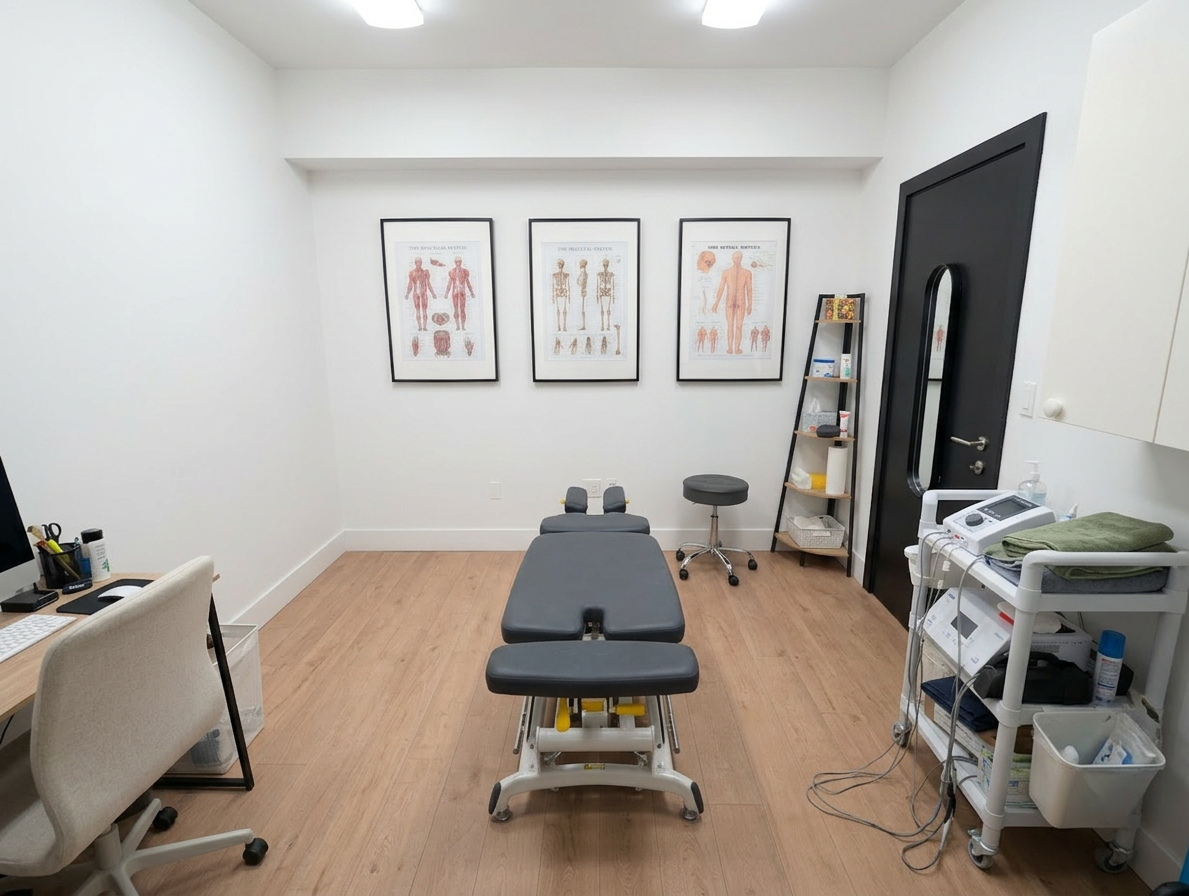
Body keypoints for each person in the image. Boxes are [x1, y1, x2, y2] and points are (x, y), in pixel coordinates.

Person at [712, 250, 753, 354]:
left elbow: (749, 289)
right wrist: (716, 303)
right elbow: (721, 288)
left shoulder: (747, 273)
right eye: (735, 257)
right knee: (730, 325)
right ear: (732, 258)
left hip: (741, 302)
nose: (737, 259)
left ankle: (737, 348)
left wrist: (750, 304)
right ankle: (730, 348)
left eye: (739, 257)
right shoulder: (726, 272)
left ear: (741, 258)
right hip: (729, 302)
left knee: (739, 325)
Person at [444, 256, 475, 331]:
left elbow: (468, 282)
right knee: (456, 309)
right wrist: (446, 293)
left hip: (462, 292)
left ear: (461, 262)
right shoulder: (452, 272)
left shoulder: (465, 271)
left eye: (459, 262)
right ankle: (457, 326)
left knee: (462, 309)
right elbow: (449, 283)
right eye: (457, 262)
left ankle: (463, 326)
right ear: (455, 263)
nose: (458, 263)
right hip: (455, 292)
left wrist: (471, 292)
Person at [405, 257, 435, 332]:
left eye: (419, 262)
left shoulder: (425, 272)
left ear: (421, 263)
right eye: (417, 262)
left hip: (424, 292)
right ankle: (419, 327)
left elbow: (428, 283)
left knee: (424, 310)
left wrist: (433, 293)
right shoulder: (412, 273)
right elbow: (410, 284)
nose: (418, 264)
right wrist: (407, 294)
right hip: (416, 293)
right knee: (417, 310)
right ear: (415, 263)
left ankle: (424, 327)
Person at [596, 258, 616, 331]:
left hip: (608, 291)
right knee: (602, 310)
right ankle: (602, 326)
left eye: (606, 265)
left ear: (608, 265)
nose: (605, 266)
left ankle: (608, 326)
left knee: (608, 309)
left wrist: (613, 296)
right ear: (602, 265)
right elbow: (598, 285)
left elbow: (612, 285)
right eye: (604, 265)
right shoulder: (599, 274)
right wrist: (597, 295)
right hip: (602, 291)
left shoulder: (611, 274)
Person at [552, 259, 571, 332]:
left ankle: (564, 326)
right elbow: (553, 286)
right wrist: (553, 296)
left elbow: (568, 285)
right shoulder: (554, 275)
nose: (560, 266)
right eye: (559, 264)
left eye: (561, 264)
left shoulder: (566, 275)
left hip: (564, 292)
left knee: (564, 310)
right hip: (558, 293)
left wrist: (569, 296)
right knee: (558, 310)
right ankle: (559, 326)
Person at [696, 250, 716, 314]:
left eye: (699, 260)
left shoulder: (712, 277)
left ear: (707, 263)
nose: (697, 262)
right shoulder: (698, 276)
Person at [576, 259, 589, 330]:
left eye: (580, 264)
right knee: (582, 309)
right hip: (583, 292)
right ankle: (583, 325)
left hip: (583, 292)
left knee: (583, 309)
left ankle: (583, 326)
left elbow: (579, 282)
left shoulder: (584, 274)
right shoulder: (584, 273)